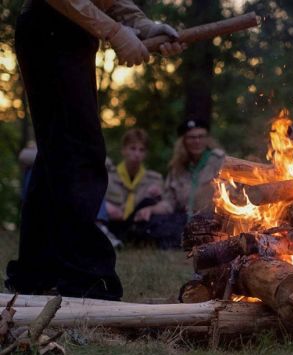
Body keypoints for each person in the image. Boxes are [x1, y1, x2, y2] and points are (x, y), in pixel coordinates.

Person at [6, 0, 184, 300]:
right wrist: (115, 31)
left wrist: (141, 25)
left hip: (70, 31)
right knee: (79, 151)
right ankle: (85, 279)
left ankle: (37, 273)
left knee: (57, 153)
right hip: (53, 26)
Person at [133, 118, 225, 248]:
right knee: (149, 216)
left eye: (201, 136)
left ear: (207, 139)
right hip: (183, 219)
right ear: (184, 141)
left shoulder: (219, 161)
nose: (197, 141)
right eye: (191, 138)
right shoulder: (177, 168)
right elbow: (169, 203)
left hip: (210, 219)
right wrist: (150, 210)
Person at [105, 128, 163, 243]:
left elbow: (168, 205)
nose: (137, 154)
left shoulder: (154, 179)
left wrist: (155, 203)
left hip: (137, 227)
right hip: (111, 224)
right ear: (123, 150)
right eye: (132, 148)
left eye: (142, 150)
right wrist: (105, 205)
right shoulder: (108, 177)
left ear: (146, 154)